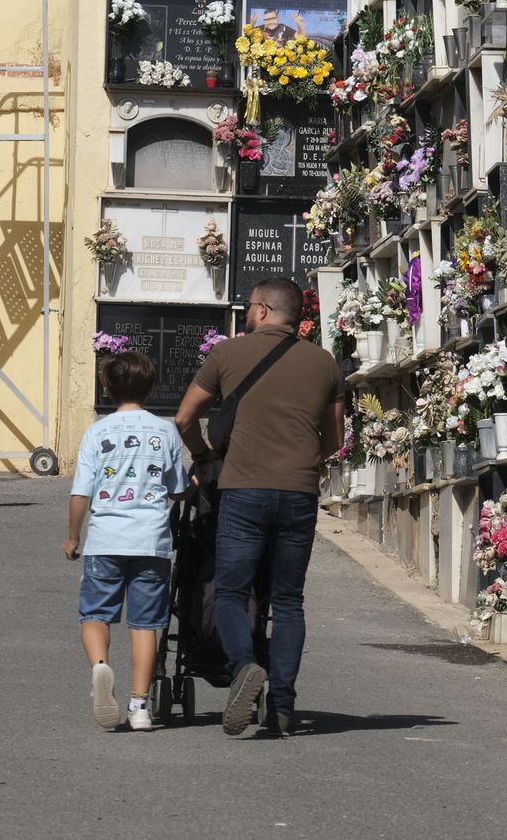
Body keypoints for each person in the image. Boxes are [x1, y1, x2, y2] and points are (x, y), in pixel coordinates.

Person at [173, 277, 344, 737]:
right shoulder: (325, 363)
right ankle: (283, 706)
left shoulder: (227, 354)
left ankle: (244, 666)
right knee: (287, 600)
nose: (247, 314)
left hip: (243, 489)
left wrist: (205, 456)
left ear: (263, 310)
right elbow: (334, 441)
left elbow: (184, 418)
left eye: (249, 307)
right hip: (299, 493)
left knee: (232, 590)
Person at [64, 351, 189, 732]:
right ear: (151, 387)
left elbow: (81, 493)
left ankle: (100, 667)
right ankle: (140, 708)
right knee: (145, 624)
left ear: (108, 388)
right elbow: (177, 489)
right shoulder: (165, 431)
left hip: (106, 539)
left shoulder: (97, 432)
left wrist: (73, 537)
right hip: (151, 541)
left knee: (95, 615)